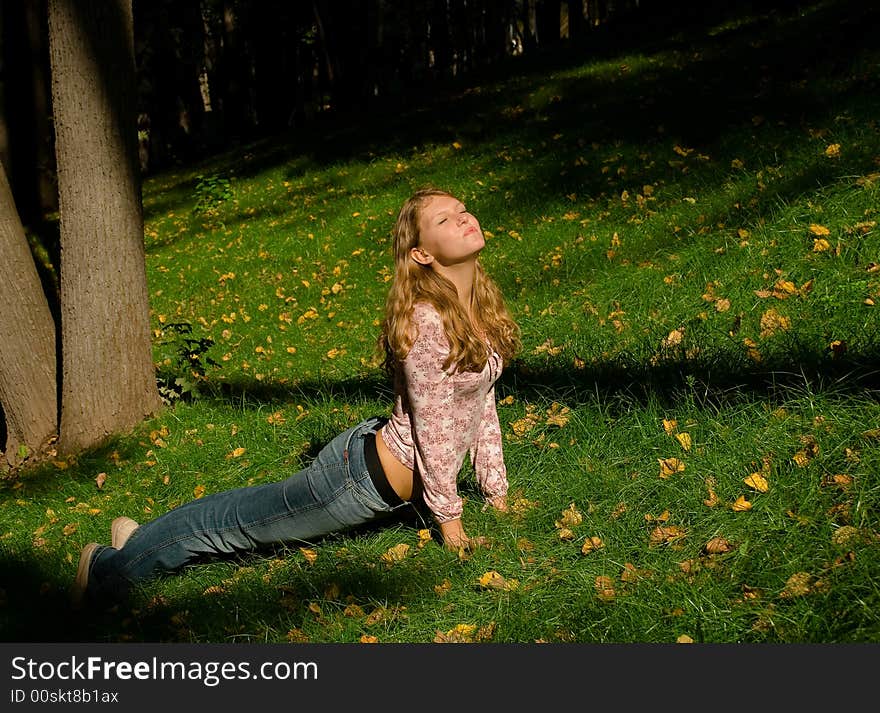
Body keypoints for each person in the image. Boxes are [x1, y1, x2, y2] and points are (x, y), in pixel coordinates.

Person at [71, 187, 521, 607]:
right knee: (232, 525)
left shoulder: (474, 308)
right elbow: (434, 425)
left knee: (240, 516)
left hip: (386, 472)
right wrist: (451, 525)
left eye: (462, 210)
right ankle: (107, 568)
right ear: (421, 253)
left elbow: (481, 403)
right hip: (358, 482)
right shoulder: (427, 322)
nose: (463, 219)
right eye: (444, 219)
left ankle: (139, 539)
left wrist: (495, 492)